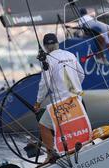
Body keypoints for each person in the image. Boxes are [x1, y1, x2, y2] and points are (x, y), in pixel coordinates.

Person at [34, 33, 86, 161]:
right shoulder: (70, 55)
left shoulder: (47, 59)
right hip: (78, 99)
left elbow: (44, 83)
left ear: (45, 47)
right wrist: (75, 88)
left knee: (43, 126)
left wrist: (38, 102)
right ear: (57, 44)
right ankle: (80, 146)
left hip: (62, 104)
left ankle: (51, 155)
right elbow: (82, 75)